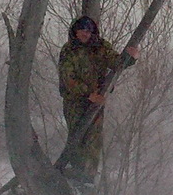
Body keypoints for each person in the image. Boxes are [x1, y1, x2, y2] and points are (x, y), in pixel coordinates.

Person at [58, 15, 139, 184]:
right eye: (82, 30)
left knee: (94, 139)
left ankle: (88, 176)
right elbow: (68, 78)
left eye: (88, 31)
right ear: (75, 31)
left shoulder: (100, 46)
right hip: (75, 101)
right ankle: (76, 172)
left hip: (96, 101)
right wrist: (88, 93)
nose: (85, 34)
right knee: (77, 135)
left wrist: (130, 58)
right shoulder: (69, 50)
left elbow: (116, 63)